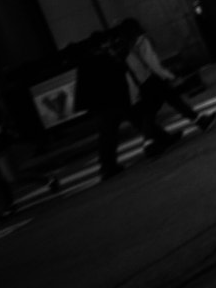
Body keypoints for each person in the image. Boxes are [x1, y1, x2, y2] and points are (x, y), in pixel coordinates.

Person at [74, 31, 175, 178]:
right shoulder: (100, 58)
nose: (108, 45)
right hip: (109, 100)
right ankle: (108, 166)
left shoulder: (90, 59)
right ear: (101, 44)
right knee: (113, 131)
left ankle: (162, 138)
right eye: (106, 42)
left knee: (130, 121)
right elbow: (116, 71)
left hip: (107, 100)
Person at [116, 19, 216, 137]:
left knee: (152, 111)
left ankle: (149, 141)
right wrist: (167, 75)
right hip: (154, 79)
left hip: (144, 83)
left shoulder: (127, 49)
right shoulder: (142, 41)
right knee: (174, 102)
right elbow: (152, 62)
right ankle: (200, 121)